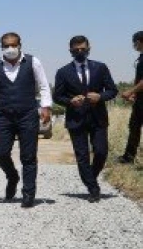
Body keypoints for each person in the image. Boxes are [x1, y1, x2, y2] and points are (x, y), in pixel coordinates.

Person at [0, 32, 52, 208]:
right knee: (1, 152)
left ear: (20, 45)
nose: (10, 49)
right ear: (1, 48)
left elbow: (43, 85)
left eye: (13, 45)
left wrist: (46, 107)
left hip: (27, 114)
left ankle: (28, 194)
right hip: (3, 115)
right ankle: (12, 176)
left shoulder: (33, 62)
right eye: (6, 46)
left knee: (28, 156)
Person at [52, 36, 119, 202]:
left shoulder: (100, 68)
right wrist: (70, 101)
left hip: (98, 118)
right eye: (76, 50)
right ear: (71, 51)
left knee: (101, 152)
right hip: (76, 119)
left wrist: (100, 96)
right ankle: (93, 189)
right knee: (82, 156)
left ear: (89, 48)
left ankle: (90, 177)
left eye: (83, 48)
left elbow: (112, 90)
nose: (80, 52)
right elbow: (57, 96)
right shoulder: (63, 72)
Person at [116, 31, 143, 164]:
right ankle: (128, 157)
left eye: (134, 42)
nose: (134, 45)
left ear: (138, 42)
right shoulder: (141, 58)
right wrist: (134, 94)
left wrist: (130, 91)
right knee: (134, 127)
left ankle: (128, 157)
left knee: (135, 127)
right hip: (140, 100)